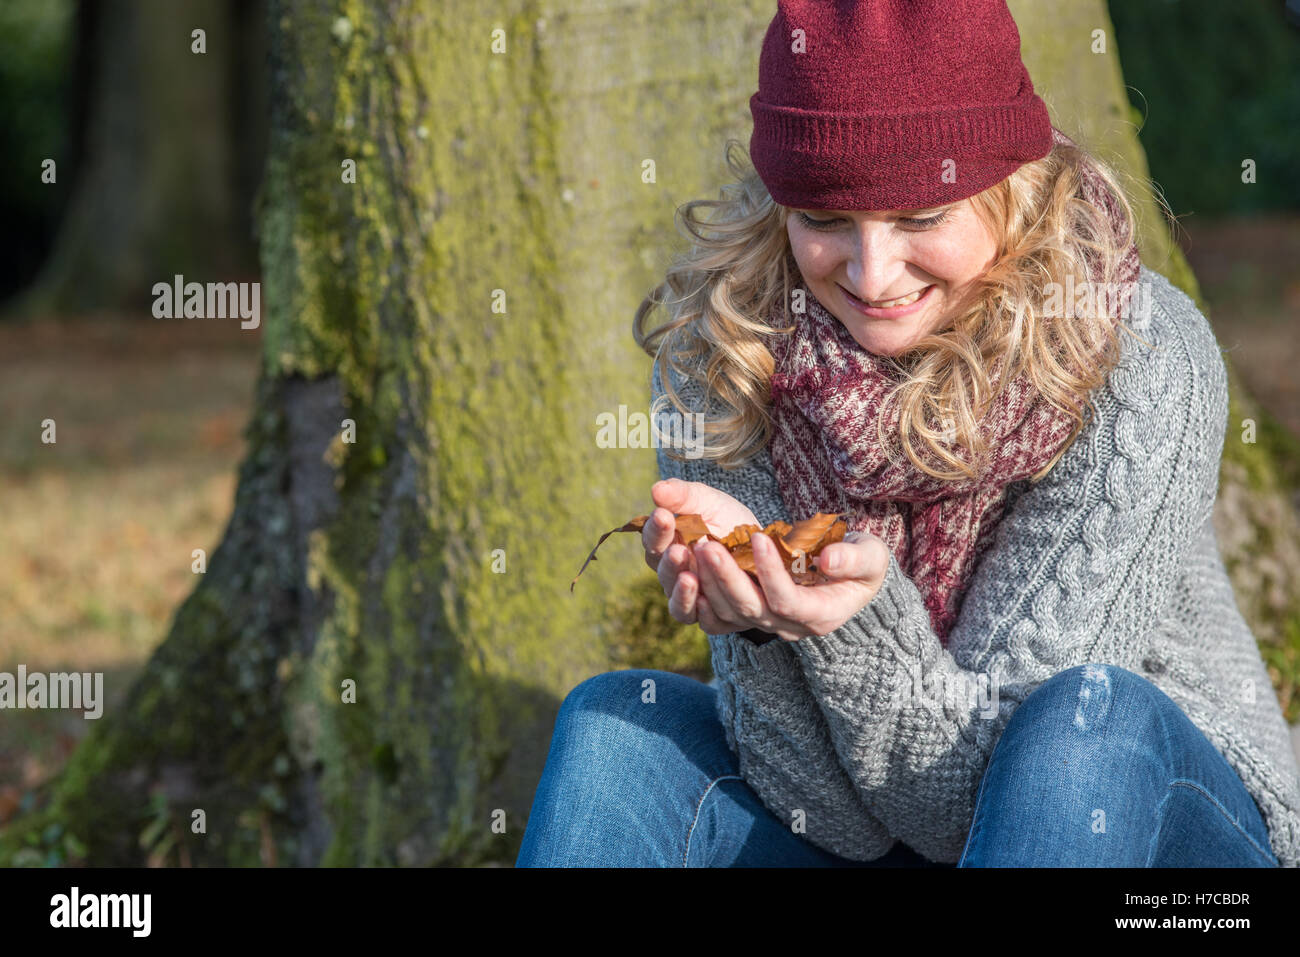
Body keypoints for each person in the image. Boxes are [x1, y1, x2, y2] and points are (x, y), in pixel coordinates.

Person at [516, 0, 1300, 867]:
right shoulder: (723, 361)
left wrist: (855, 625)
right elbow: (832, 825)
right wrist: (769, 627)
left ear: (1014, 189)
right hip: (890, 827)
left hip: (1156, 832)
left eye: (921, 218)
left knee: (1084, 717)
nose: (871, 272)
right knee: (613, 727)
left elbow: (993, 799)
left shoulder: (1138, 349)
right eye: (823, 219)